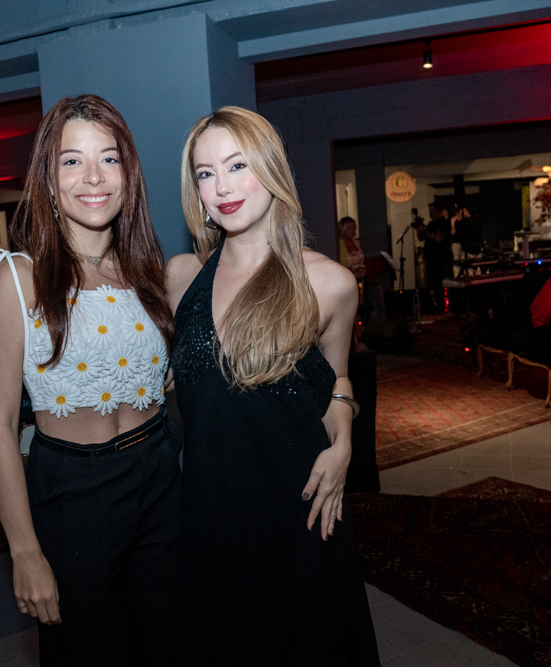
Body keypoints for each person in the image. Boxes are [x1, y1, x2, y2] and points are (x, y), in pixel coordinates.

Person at [167, 106, 380, 665]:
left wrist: (344, 444)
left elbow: (336, 379)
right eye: (206, 173)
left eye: (238, 165)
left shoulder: (330, 283)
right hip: (209, 515)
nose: (222, 187)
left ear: (272, 169)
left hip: (298, 512)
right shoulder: (181, 278)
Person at [0, 94, 180, 667]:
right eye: (72, 160)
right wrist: (24, 551)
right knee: (88, 650)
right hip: (72, 491)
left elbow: (166, 381)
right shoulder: (16, 279)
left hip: (159, 473)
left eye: (109, 159)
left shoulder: (149, 272)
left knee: (166, 639)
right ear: (47, 178)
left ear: (128, 174)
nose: (93, 177)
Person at [416, 200, 451, 312]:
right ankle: (438, 307)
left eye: (433, 211)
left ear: (439, 211)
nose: (430, 213)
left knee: (440, 284)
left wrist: (426, 232)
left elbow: (439, 239)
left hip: (440, 259)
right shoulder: (431, 224)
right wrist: (419, 230)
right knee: (434, 285)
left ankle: (442, 307)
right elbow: (421, 238)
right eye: (430, 211)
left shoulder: (444, 223)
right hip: (430, 258)